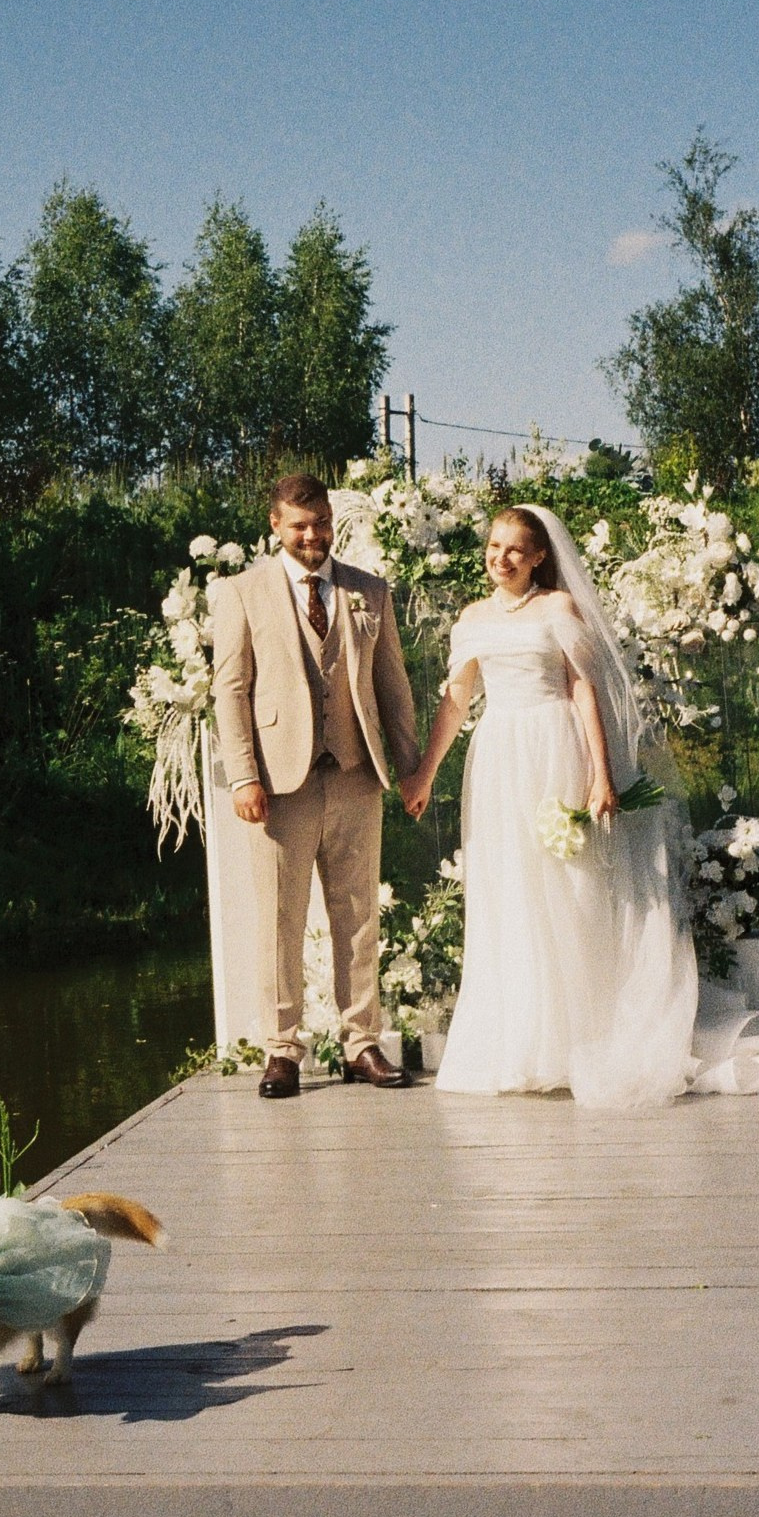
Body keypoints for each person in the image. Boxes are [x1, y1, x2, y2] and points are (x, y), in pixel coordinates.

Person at [397, 502, 759, 1108]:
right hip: (498, 757)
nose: (501, 559)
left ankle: (581, 1037)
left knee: (568, 889)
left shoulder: (559, 609)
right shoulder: (471, 619)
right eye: (494, 547)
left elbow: (584, 688)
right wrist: (424, 772)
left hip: (554, 749)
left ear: (540, 556)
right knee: (509, 891)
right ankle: (518, 1044)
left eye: (515, 550)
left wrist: (601, 776)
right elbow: (455, 703)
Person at [210, 470, 421, 1100]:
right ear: (275, 525)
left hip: (357, 778)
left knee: (358, 917)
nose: (314, 536)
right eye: (300, 525)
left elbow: (393, 688)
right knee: (279, 919)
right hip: (280, 785)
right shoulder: (242, 593)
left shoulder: (368, 591)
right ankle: (282, 1051)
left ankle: (362, 1044)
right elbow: (231, 690)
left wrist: (409, 769)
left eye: (322, 523)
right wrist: (244, 775)